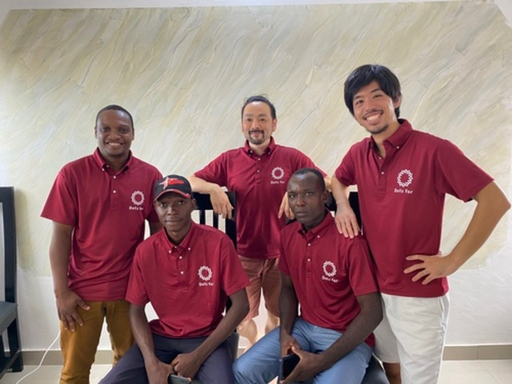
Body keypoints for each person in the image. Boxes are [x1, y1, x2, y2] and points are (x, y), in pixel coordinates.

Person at [332, 64, 511, 384]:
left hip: (418, 295)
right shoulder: (359, 153)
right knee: (391, 363)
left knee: (420, 378)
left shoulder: (433, 149)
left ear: (396, 99)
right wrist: (343, 205)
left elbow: (496, 202)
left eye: (377, 95)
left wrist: (452, 261)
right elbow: (338, 181)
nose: (368, 107)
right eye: (358, 101)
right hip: (374, 292)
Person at [189, 95, 329, 347]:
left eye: (262, 119)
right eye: (249, 119)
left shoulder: (291, 158)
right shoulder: (229, 160)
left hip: (282, 255)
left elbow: (325, 182)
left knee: (278, 314)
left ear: (273, 124)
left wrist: (295, 190)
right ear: (242, 125)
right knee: (240, 319)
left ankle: (267, 349)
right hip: (242, 255)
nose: (255, 124)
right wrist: (212, 187)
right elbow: (189, 181)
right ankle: (256, 343)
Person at [41, 105, 163, 384]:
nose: (114, 136)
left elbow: (157, 236)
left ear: (133, 134)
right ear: (95, 132)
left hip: (129, 291)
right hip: (81, 294)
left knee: (128, 368)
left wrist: (153, 287)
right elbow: (60, 238)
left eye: (122, 129)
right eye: (105, 129)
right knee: (74, 372)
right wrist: (62, 293)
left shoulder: (150, 175)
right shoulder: (72, 174)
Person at [233, 168, 382, 384]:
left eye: (308, 194)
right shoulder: (287, 235)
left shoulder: (349, 241)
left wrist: (320, 362)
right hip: (303, 328)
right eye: (292, 195)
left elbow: (373, 312)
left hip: (345, 335)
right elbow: (288, 289)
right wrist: (285, 333)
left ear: (324, 197)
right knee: (242, 370)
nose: (299, 202)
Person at [99, 175, 250, 384]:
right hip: (161, 339)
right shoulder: (145, 251)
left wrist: (197, 356)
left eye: (180, 202)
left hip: (207, 338)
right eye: (164, 204)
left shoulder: (219, 243)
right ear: (156, 208)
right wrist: (151, 362)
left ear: (192, 205)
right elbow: (136, 309)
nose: (171, 210)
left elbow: (241, 305)